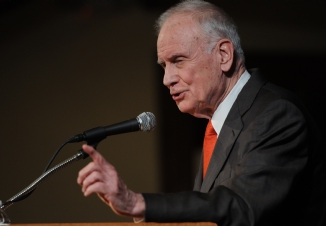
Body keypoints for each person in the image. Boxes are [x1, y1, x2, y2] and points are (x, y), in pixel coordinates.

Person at [77, 1, 325, 225]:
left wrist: (136, 202)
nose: (167, 79)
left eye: (179, 60)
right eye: (164, 65)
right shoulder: (217, 125)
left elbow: (241, 207)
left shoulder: (276, 115)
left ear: (224, 55)